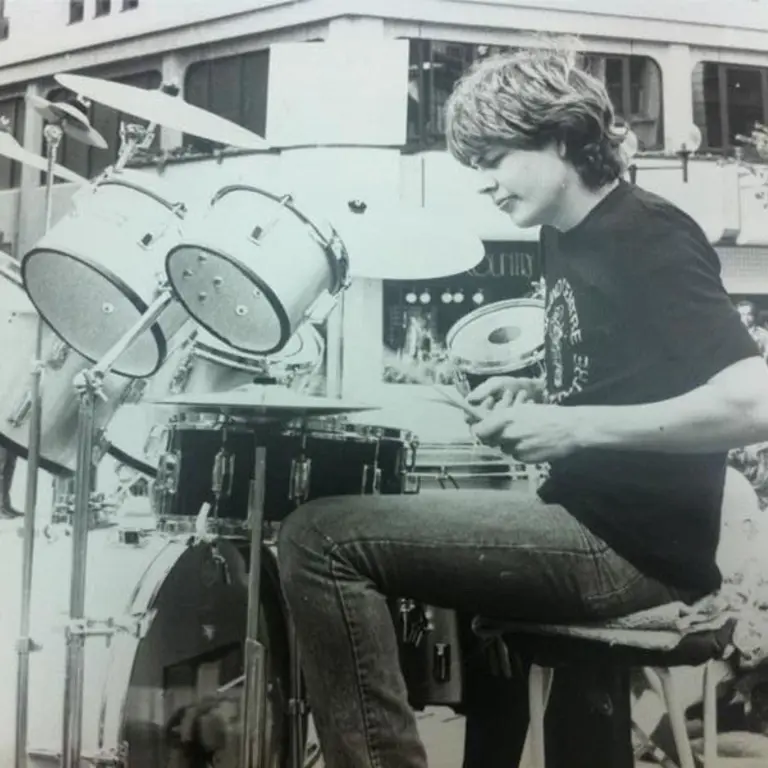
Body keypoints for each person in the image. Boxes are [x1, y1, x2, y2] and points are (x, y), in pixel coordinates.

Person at [179, 44, 768, 767]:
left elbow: (751, 404)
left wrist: (571, 426)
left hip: (629, 547)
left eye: (493, 159)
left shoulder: (648, 233)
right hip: (592, 519)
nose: (484, 185)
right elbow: (629, 380)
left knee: (318, 539)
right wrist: (539, 394)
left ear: (558, 136)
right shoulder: (563, 235)